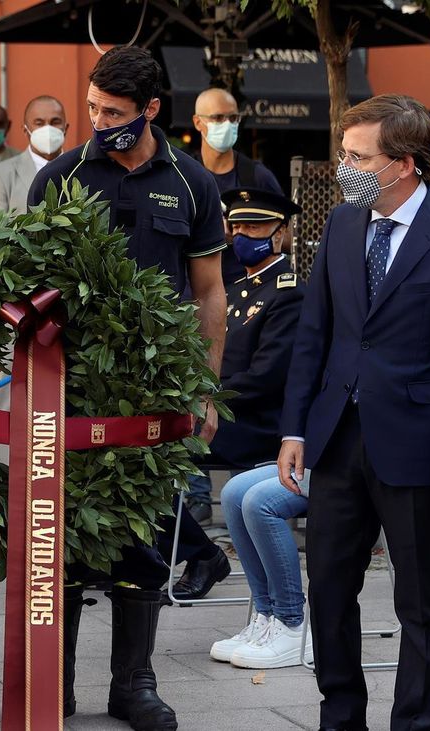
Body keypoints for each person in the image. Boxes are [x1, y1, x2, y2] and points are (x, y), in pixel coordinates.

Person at [278, 94, 430, 731]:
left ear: (403, 163)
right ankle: (340, 717)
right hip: (338, 437)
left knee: (421, 601)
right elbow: (315, 333)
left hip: (422, 444)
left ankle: (413, 723)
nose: (342, 166)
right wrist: (295, 427)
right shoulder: (345, 224)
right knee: (327, 589)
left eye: (356, 156)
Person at [28, 45, 226, 731]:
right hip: (72, 389)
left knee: (141, 536)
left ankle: (133, 683)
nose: (96, 122)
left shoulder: (194, 183)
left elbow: (208, 294)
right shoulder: (59, 178)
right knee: (69, 539)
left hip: (156, 392)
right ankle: (55, 683)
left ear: (150, 110)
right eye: (91, 108)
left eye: (112, 112)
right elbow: (31, 293)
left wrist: (204, 389)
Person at [165, 187, 304, 602]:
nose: (242, 234)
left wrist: (203, 398)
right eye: (237, 225)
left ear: (281, 234)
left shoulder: (290, 294)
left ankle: (201, 555)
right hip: (221, 411)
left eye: (255, 226)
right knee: (139, 447)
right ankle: (193, 552)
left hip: (256, 423)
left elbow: (264, 379)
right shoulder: (234, 287)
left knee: (153, 453)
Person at [208, 465, 311, 670]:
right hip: (308, 457)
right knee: (233, 493)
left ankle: (292, 623)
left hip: (340, 461)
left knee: (259, 503)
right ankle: (267, 614)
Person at [191, 88, 282, 286]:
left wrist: (248, 231)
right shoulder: (185, 174)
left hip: (247, 289)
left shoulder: (256, 176)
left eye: (233, 118)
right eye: (217, 117)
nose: (227, 124)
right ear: (198, 122)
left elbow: (289, 235)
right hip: (193, 289)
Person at [0, 94, 67, 214]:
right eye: (39, 123)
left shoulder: (82, 169)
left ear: (65, 128)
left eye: (55, 122)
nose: (47, 129)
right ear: (26, 131)